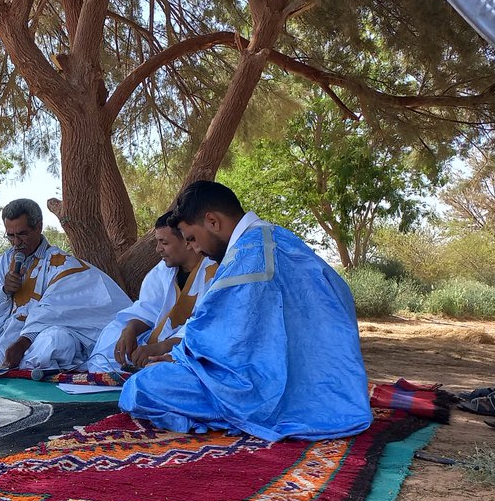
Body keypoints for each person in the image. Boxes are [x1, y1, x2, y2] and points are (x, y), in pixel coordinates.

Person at [118, 181, 371, 441]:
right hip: (331, 384)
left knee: (142, 386)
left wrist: (178, 357)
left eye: (192, 238)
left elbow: (228, 341)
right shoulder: (279, 238)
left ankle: (237, 416)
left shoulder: (247, 256)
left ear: (212, 221)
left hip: (269, 386)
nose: (193, 247)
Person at [0, 198, 131, 372]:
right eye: (11, 236)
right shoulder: (1, 264)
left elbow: (57, 307)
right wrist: (2, 292)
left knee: (54, 343)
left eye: (22, 234)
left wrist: (24, 340)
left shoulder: (60, 263)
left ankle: (22, 366)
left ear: (39, 227)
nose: (16, 243)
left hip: (34, 338)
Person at [85, 211, 218, 373]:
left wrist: (162, 347)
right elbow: (147, 309)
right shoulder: (162, 271)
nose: (158, 249)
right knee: (115, 330)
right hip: (158, 340)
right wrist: (131, 330)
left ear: (187, 241)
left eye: (164, 242)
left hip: (190, 345)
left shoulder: (214, 270)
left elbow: (205, 326)